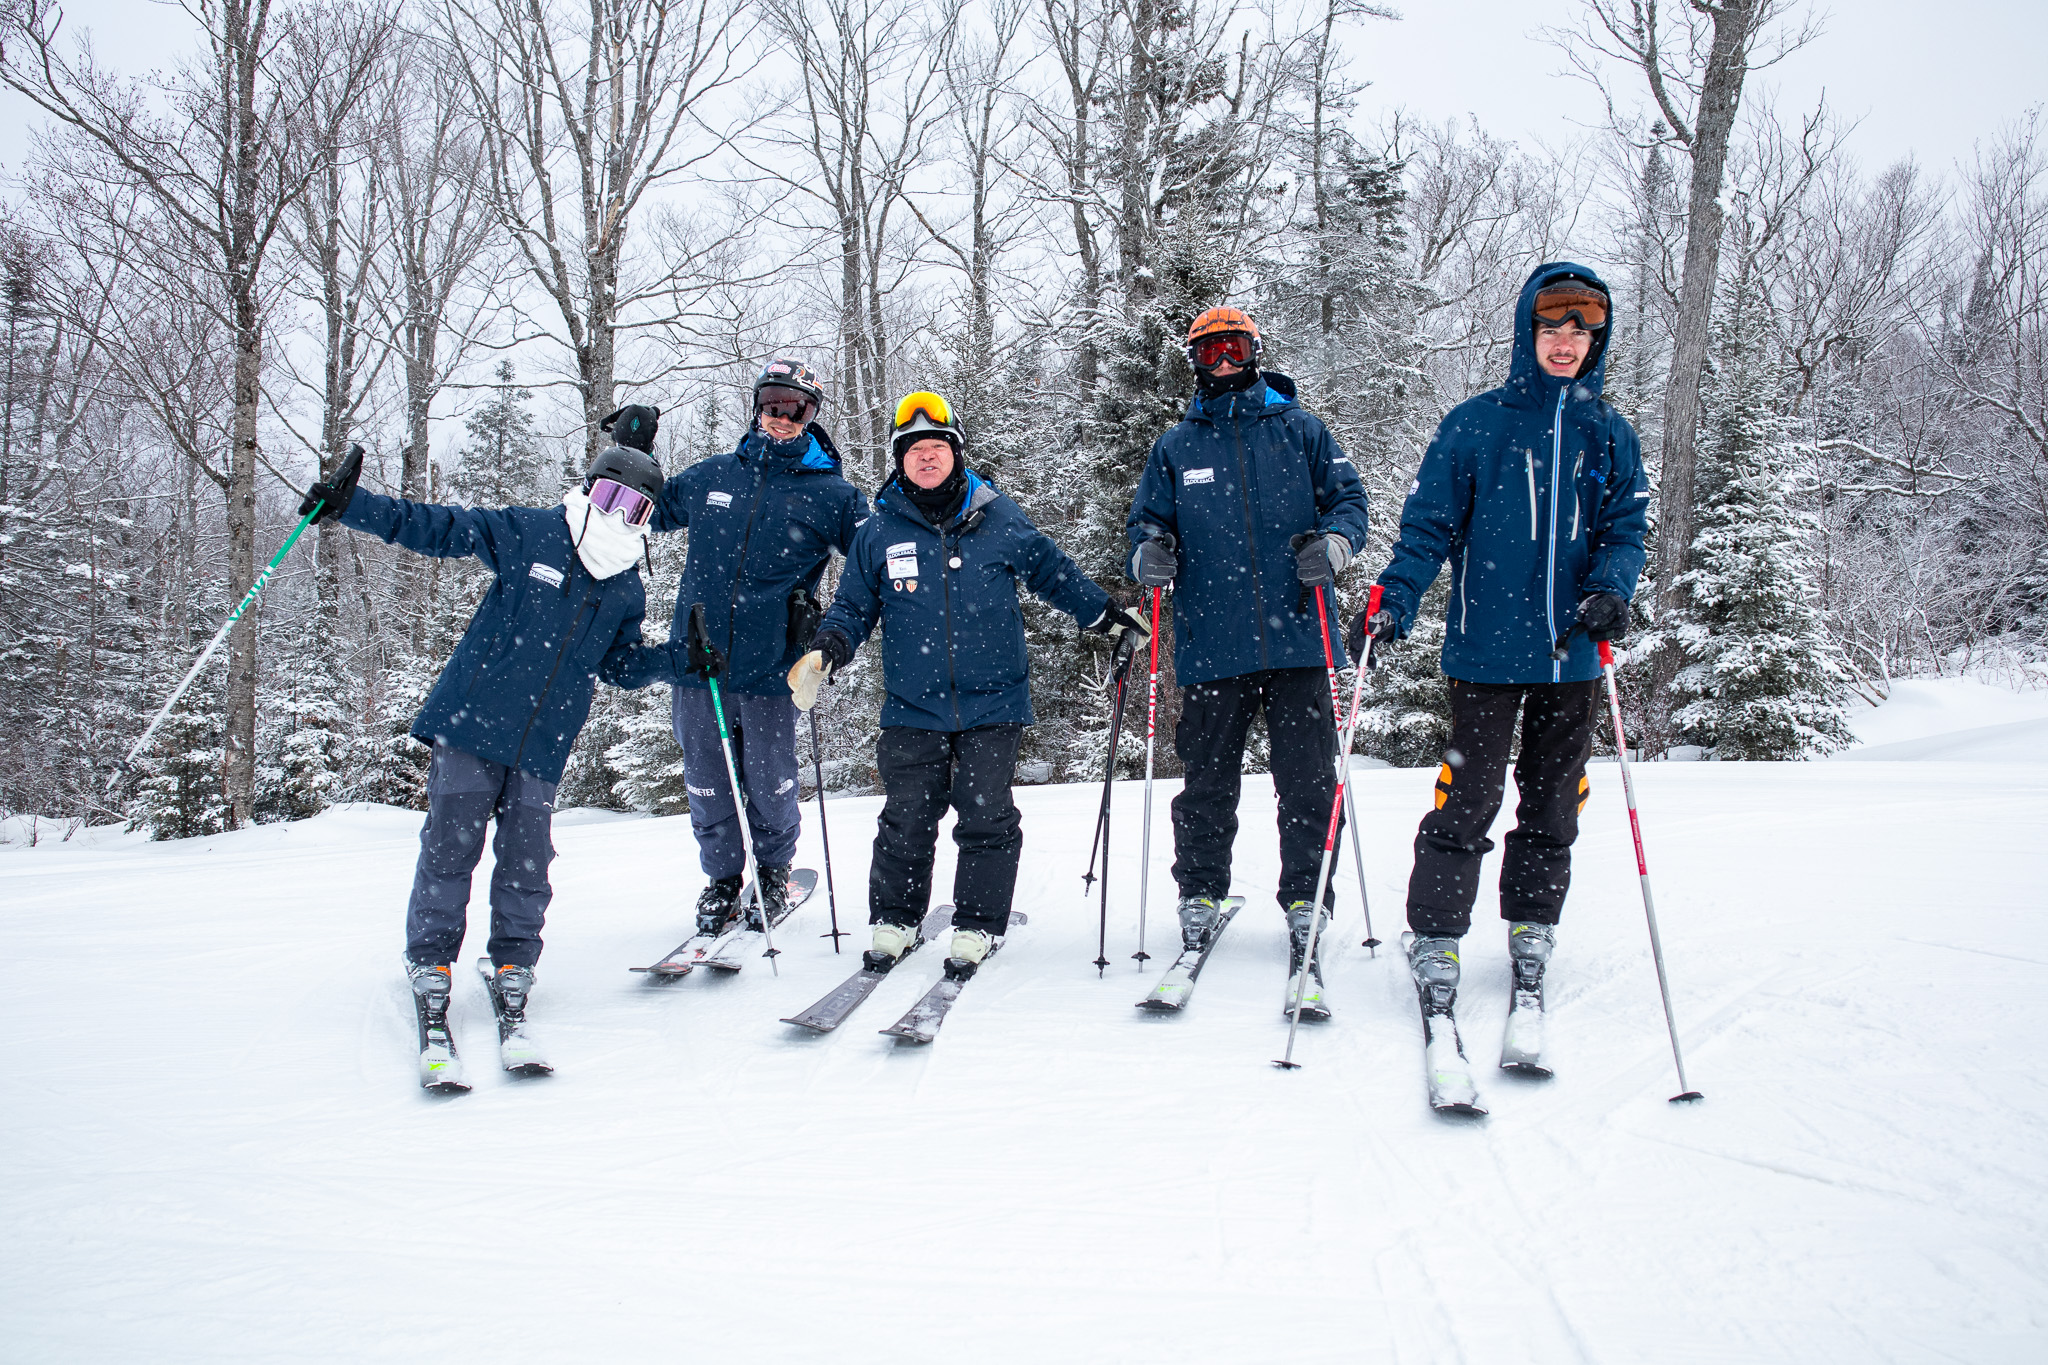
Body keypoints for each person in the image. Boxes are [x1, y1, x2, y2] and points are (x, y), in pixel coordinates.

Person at [1346, 262, 1649, 1018]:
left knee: (1554, 802)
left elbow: (1625, 530)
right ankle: (1437, 932)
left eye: (1581, 331)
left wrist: (1612, 588)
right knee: (1469, 794)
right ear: (1528, 331)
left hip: (1574, 655)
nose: (1565, 343)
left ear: (1596, 341)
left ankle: (1532, 925)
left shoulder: (1609, 433)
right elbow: (1427, 529)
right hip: (1485, 652)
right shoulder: (1475, 424)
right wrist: (1394, 599)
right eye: (1552, 328)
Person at [298, 437, 676, 1021]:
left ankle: (514, 962)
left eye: (636, 509)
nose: (617, 516)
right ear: (586, 490)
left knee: (529, 859)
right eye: (609, 496)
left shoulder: (626, 586)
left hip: (544, 742)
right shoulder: (533, 533)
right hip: (474, 723)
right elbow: (441, 527)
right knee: (452, 847)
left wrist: (682, 660)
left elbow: (620, 665)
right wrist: (353, 506)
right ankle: (430, 958)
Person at [789, 391, 1143, 966]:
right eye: (914, 450)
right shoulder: (878, 533)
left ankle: (977, 926)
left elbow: (1052, 572)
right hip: (911, 703)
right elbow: (853, 607)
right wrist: (828, 648)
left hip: (993, 700)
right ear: (899, 460)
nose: (926, 458)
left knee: (985, 813)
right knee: (906, 816)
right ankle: (894, 922)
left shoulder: (997, 518)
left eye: (936, 447)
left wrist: (1104, 613)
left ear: (955, 452)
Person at [1125, 307, 1369, 994]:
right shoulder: (1177, 445)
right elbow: (1146, 519)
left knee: (1308, 782)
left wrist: (1336, 546)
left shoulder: (1300, 430)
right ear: (1195, 361)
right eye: (1208, 351)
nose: (1222, 360)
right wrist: (1149, 549)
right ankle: (1200, 892)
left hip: (1298, 638)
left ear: (1255, 350)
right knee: (1206, 783)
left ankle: (1306, 898)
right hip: (1212, 642)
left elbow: (1351, 502)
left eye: (1233, 346)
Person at [640, 361, 867, 936]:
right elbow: (637, 514)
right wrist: (631, 459)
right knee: (707, 778)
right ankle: (720, 881)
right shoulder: (712, 476)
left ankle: (773, 871)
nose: (781, 416)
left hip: (775, 666)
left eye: (796, 407)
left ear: (811, 415)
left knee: (769, 779)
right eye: (772, 403)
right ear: (758, 406)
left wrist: (832, 631)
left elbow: (875, 561)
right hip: (700, 662)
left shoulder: (832, 495)